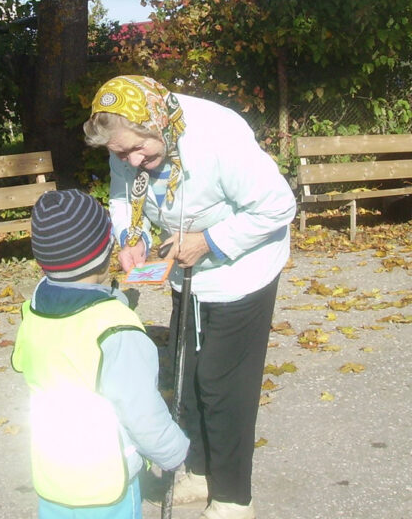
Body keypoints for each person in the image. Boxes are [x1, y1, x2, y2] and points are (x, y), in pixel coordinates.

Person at [83, 76, 297, 519]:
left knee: (225, 386)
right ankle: (198, 473)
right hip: (186, 270)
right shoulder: (129, 145)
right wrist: (131, 235)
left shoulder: (219, 134)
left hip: (242, 269)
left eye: (138, 149)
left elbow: (278, 205)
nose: (134, 161)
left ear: (156, 120)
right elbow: (125, 195)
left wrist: (211, 241)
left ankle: (235, 497)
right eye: (121, 154)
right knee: (189, 373)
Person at [12, 188, 189, 519]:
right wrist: (174, 451)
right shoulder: (115, 327)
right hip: (106, 485)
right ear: (105, 250)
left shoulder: (34, 312)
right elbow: (141, 410)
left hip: (53, 475)